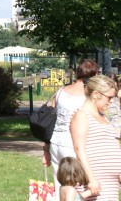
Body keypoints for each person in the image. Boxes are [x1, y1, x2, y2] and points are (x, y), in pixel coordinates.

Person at [44, 59, 101, 195]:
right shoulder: (87, 95)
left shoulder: (61, 91)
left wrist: (45, 150)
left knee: (59, 185)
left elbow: (50, 121)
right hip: (72, 143)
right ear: (93, 75)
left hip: (55, 142)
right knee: (76, 187)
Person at [70, 74, 121, 200]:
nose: (111, 102)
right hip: (95, 181)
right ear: (96, 94)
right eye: (109, 97)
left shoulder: (103, 116)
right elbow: (79, 149)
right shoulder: (82, 115)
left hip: (110, 183)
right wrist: (92, 179)